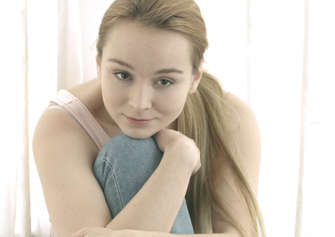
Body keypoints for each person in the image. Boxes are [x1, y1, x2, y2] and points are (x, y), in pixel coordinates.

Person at [32, 0, 265, 236]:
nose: (140, 103)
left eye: (164, 81)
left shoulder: (228, 116)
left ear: (195, 77)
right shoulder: (64, 127)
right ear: (99, 64)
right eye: (123, 75)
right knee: (129, 153)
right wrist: (178, 161)